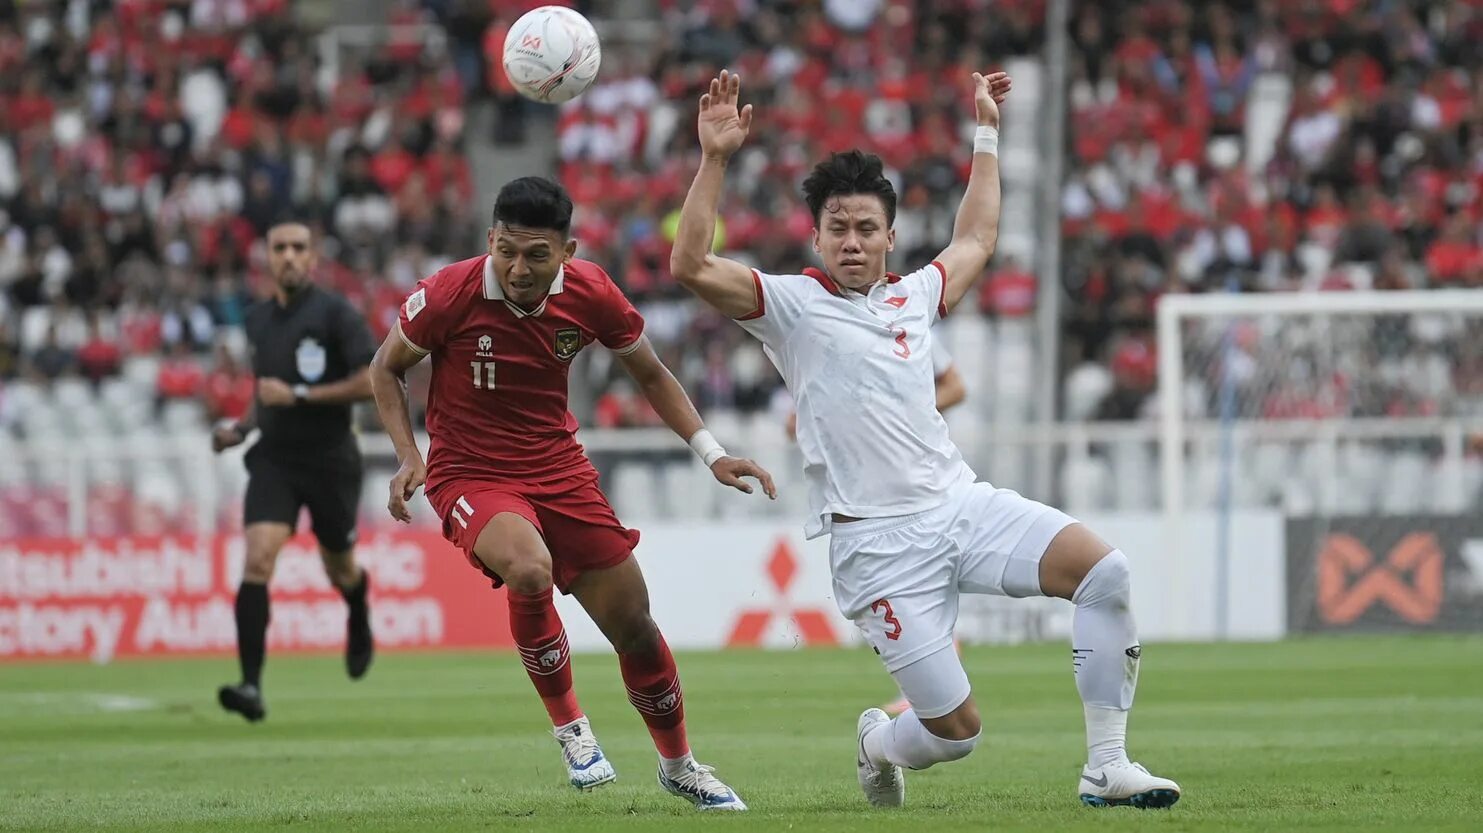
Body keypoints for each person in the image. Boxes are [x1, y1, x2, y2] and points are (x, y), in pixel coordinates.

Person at [669, 69, 1181, 810]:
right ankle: (877, 741)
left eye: (865, 228)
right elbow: (688, 265)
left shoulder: (914, 296)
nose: (851, 241)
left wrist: (985, 133)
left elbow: (976, 236)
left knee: (1105, 572)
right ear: (815, 236)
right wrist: (714, 158)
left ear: (889, 237)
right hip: (877, 548)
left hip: (960, 506)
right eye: (837, 228)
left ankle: (1106, 763)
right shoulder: (791, 304)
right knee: (956, 732)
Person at [368, 177, 774, 811]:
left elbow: (650, 373)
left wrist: (712, 454)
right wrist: (408, 456)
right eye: (506, 250)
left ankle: (680, 766)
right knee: (530, 569)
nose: (517, 268)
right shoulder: (448, 293)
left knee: (635, 627)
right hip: (470, 472)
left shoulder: (591, 294)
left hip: (560, 471)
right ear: (490, 240)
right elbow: (384, 367)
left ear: (569, 252)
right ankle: (573, 731)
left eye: (536, 254)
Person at [212, 220, 378, 722]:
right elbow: (266, 390)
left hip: (330, 460)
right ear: (267, 255)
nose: (288, 255)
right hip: (276, 459)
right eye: (279, 246)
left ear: (313, 258)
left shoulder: (337, 315)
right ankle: (250, 686)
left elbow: (372, 382)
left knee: (339, 568)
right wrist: (241, 430)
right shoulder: (258, 318)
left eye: (298, 248)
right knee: (258, 558)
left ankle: (357, 606)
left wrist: (302, 395)